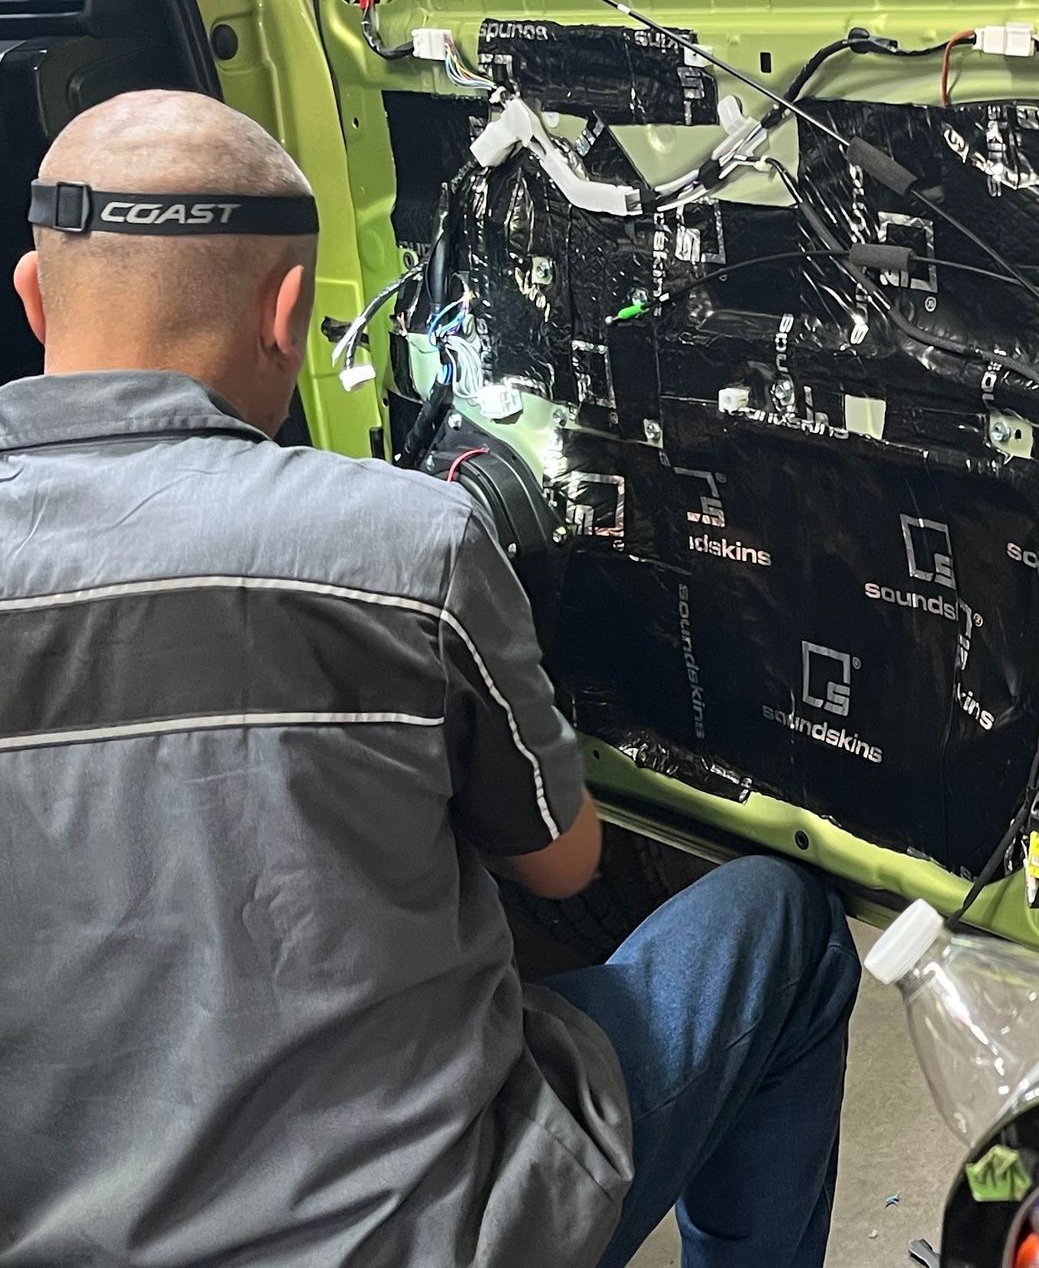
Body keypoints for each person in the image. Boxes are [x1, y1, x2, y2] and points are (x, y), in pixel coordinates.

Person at [0, 90, 859, 1268]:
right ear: (289, 311)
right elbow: (566, 868)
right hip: (423, 1239)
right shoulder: (404, 546)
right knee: (786, 927)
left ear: (35, 295)